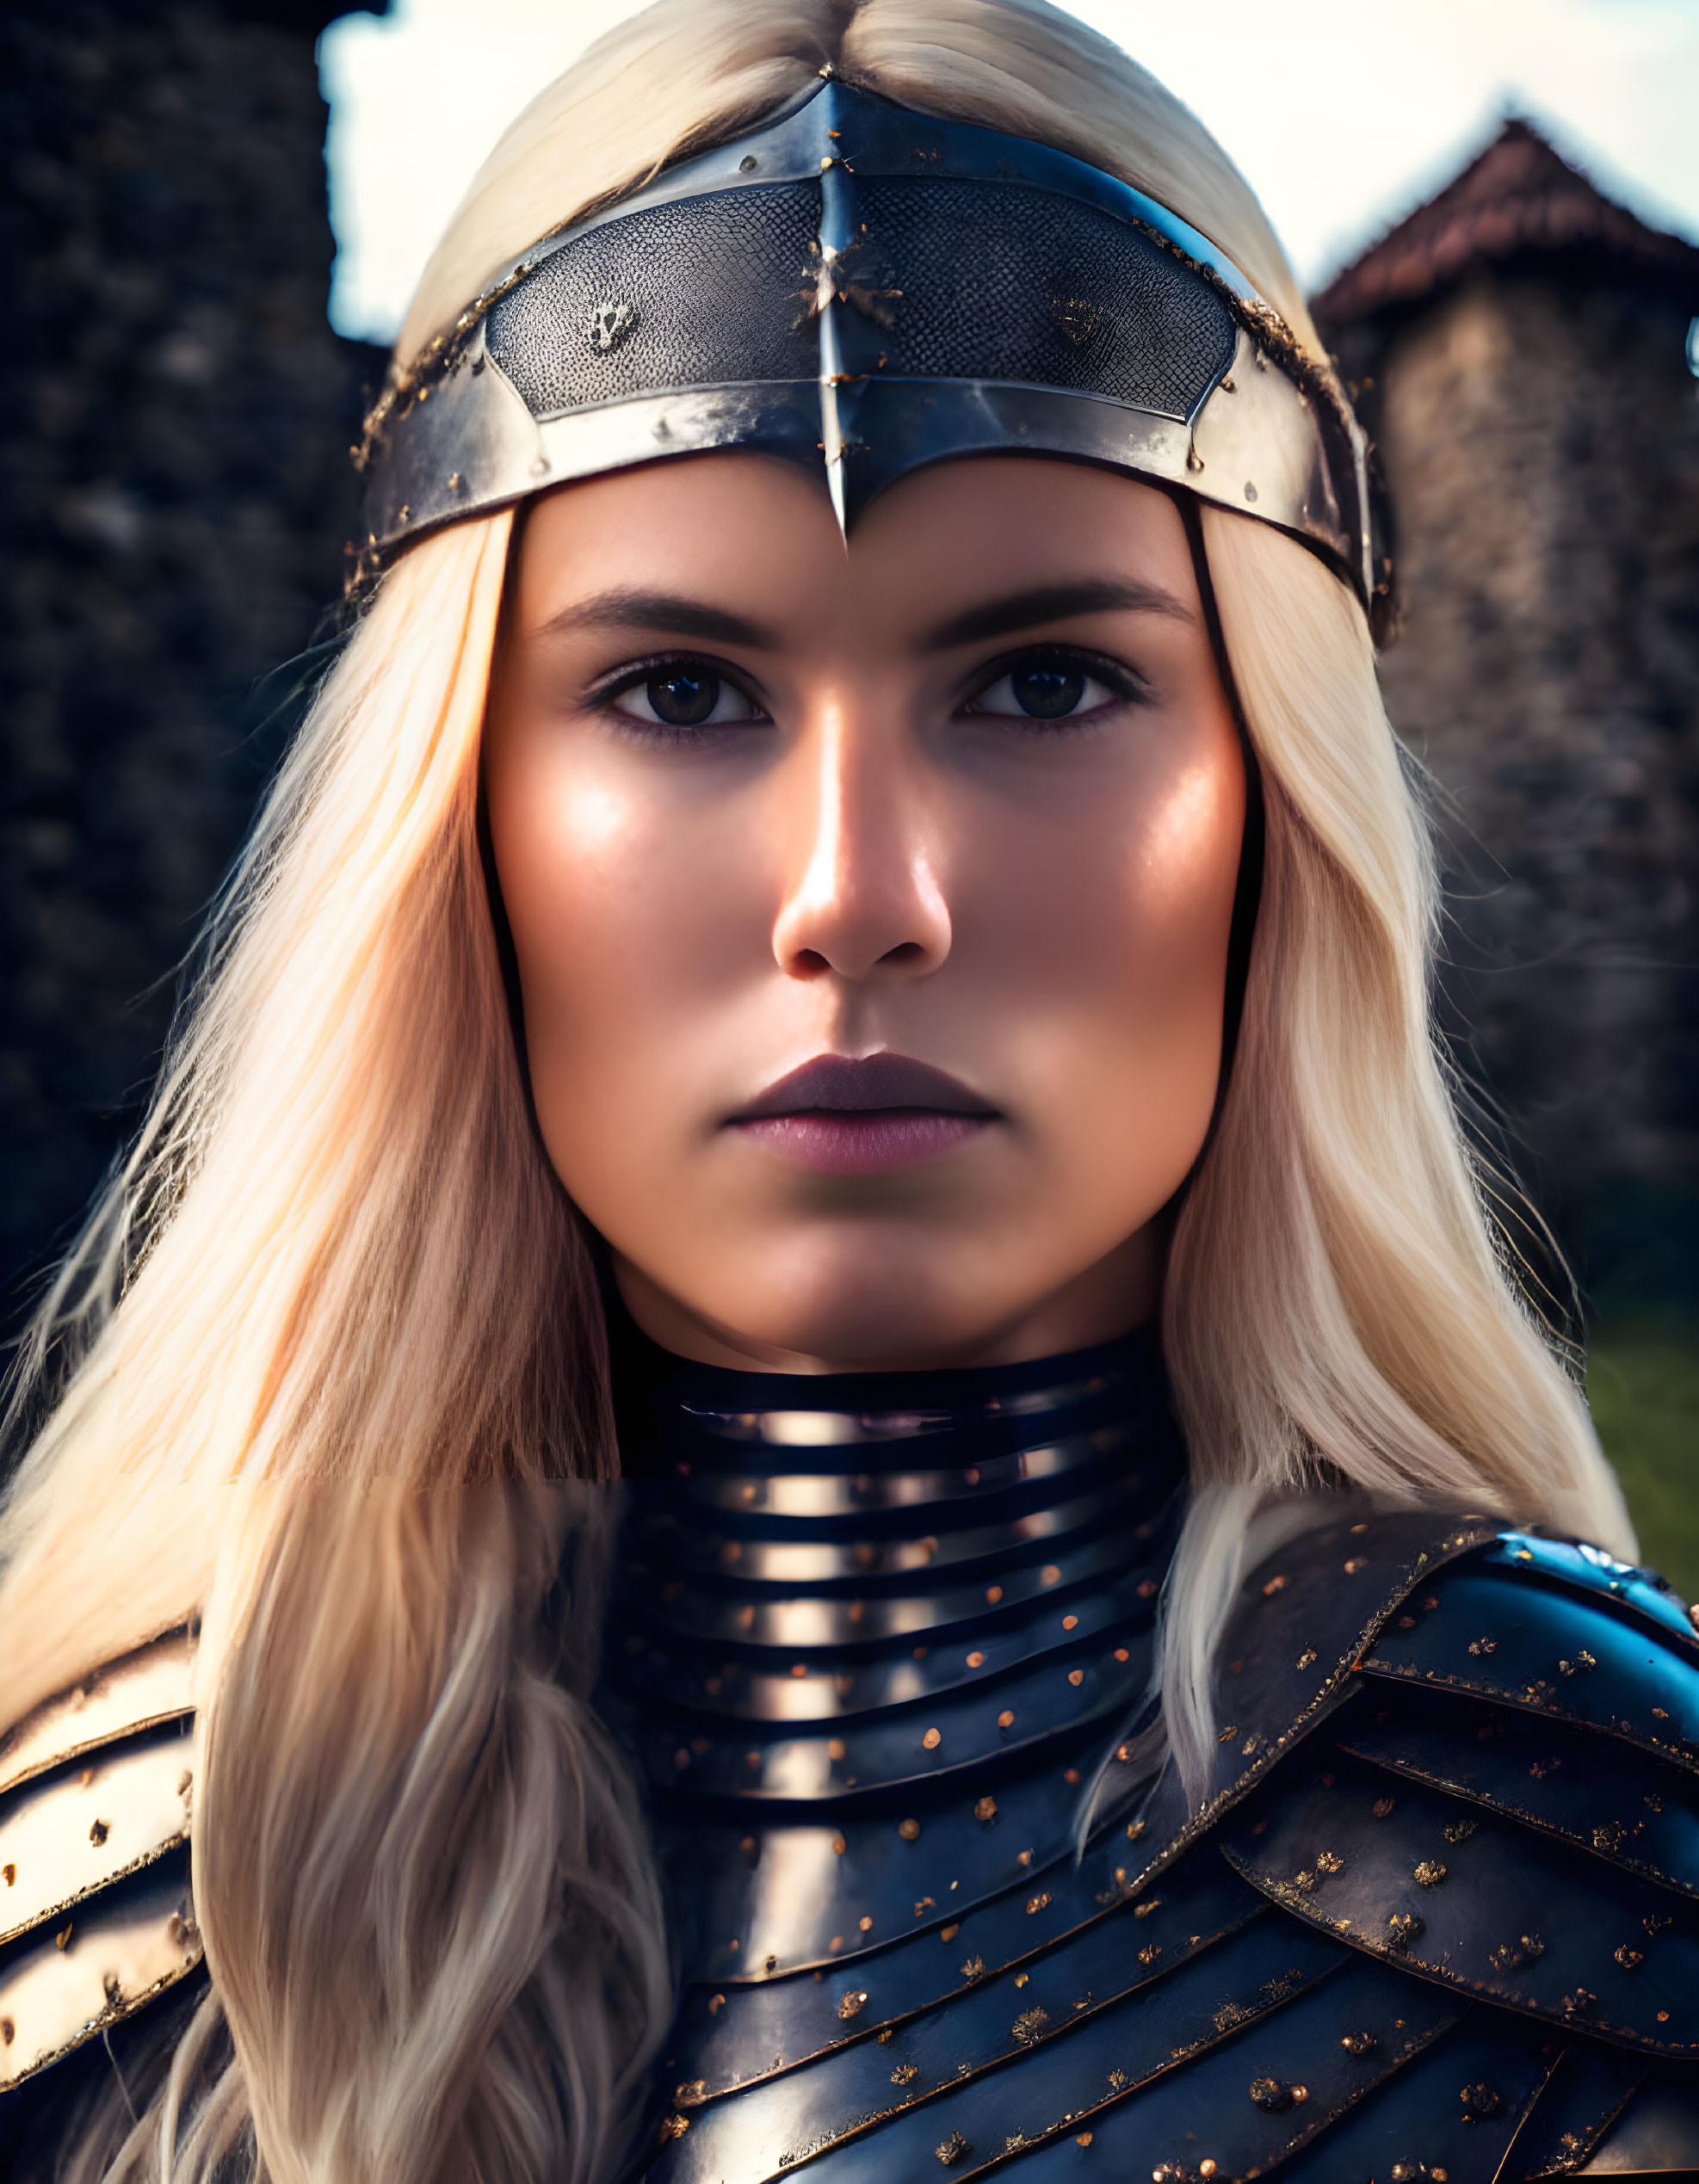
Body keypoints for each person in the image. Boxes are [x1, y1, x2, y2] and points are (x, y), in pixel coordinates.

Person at [2, 2, 1696, 2178]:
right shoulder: (123, 1906)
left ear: (1276, 806)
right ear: (457, 831)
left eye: (1049, 678)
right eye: (680, 687)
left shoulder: (1580, 1871)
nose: (857, 898)